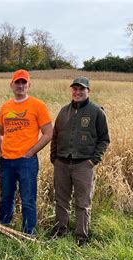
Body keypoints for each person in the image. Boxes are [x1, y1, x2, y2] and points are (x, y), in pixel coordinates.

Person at [50, 76, 110, 246]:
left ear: (88, 91)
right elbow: (55, 135)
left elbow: (104, 139)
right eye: (74, 89)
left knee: (83, 203)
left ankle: (81, 237)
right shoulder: (64, 111)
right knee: (61, 200)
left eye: (81, 89)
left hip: (84, 164)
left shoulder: (96, 112)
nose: (77, 92)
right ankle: (60, 231)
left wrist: (93, 160)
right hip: (62, 163)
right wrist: (54, 157)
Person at [0, 69, 53, 235]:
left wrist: (31, 152)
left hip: (26, 161)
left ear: (29, 85)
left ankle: (28, 233)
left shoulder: (38, 106)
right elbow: (0, 132)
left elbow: (48, 133)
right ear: (11, 85)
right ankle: (4, 229)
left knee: (28, 199)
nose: (20, 85)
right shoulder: (6, 106)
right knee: (6, 197)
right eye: (17, 82)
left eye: (23, 82)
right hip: (6, 161)